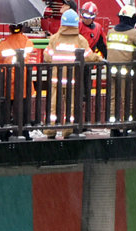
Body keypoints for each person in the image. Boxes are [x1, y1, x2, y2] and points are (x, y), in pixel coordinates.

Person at [43, 10, 99, 139]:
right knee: (72, 106)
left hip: (56, 79)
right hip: (73, 80)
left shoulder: (54, 38)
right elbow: (89, 56)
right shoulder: (80, 40)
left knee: (53, 105)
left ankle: (51, 129)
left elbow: (47, 56)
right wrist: (99, 59)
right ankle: (68, 129)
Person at [106, 5, 136, 136]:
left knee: (113, 99)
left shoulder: (111, 32)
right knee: (129, 99)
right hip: (127, 73)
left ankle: (113, 127)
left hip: (111, 72)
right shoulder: (134, 33)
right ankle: (130, 125)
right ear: (132, 19)